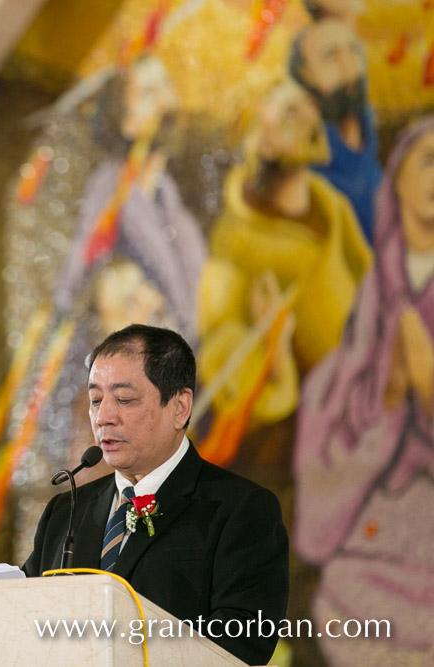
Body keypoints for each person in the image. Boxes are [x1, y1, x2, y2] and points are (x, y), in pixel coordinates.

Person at [22, 324, 289, 666]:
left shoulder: (242, 509)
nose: (104, 417)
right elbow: (27, 618)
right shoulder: (66, 509)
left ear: (180, 407)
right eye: (95, 400)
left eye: (125, 399)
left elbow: (245, 643)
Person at [293, 116, 434, 666]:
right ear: (396, 179)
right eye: (426, 161)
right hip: (374, 495)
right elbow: (349, 383)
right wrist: (384, 400)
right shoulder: (377, 285)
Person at [198, 79, 372, 430]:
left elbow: (369, 275)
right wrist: (276, 348)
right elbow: (224, 365)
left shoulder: (329, 202)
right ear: (263, 143)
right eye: (292, 112)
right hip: (327, 418)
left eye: (308, 105)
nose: (312, 117)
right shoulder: (235, 241)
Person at [52, 55, 207, 346]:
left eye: (166, 85)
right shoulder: (110, 192)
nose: (166, 103)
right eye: (149, 93)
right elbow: (71, 293)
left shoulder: (167, 194)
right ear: (125, 123)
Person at [289, 18, 382, 244]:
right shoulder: (308, 173)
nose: (349, 67)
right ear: (305, 76)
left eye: (354, 52)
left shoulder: (373, 142)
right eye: (331, 56)